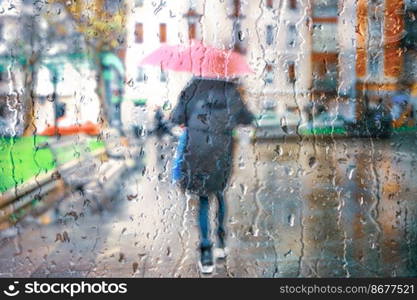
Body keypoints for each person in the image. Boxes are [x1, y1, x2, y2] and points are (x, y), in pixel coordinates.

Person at [170, 77, 254, 274]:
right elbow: (247, 119)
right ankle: (222, 242)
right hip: (222, 151)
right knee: (220, 192)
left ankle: (206, 252)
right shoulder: (231, 90)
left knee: (203, 198)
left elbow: (176, 118)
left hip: (196, 149)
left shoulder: (192, 87)